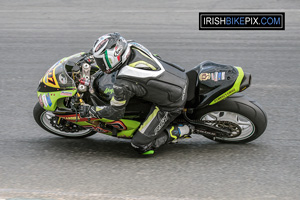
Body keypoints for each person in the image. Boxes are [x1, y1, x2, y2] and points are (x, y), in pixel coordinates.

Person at [80, 32, 190, 154]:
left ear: (112, 59)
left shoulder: (123, 83)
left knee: (140, 145)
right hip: (177, 75)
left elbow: (115, 113)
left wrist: (90, 111)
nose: (100, 64)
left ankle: (182, 130)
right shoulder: (132, 45)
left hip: (171, 103)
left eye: (101, 61)